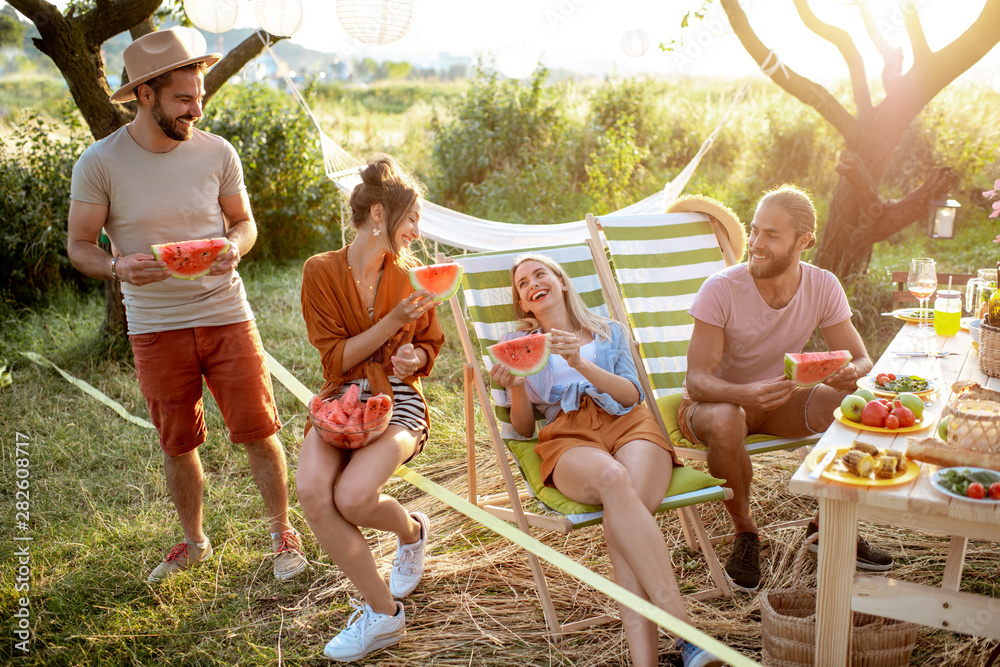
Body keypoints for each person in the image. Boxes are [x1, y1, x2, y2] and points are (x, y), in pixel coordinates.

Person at [66, 28, 307, 583]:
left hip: (226, 312)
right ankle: (195, 541)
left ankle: (281, 533)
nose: (196, 109)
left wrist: (232, 248)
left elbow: (244, 225)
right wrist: (115, 266)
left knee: (259, 430)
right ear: (145, 94)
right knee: (177, 442)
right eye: (183, 99)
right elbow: (80, 245)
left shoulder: (218, 152)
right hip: (154, 325)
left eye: (200, 97)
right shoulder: (100, 162)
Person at [490, 253, 724, 667]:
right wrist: (518, 389)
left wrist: (579, 362)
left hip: (628, 422)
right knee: (614, 481)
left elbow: (631, 396)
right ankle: (689, 636)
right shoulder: (520, 345)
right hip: (568, 434)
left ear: (561, 282)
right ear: (524, 304)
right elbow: (524, 430)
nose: (531, 284)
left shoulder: (608, 331)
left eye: (539, 273)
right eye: (522, 284)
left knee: (621, 527)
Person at [679, 184, 893, 594]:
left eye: (771, 235)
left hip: (780, 401)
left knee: (854, 404)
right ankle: (745, 533)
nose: (756, 244)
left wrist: (850, 374)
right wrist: (744, 395)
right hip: (715, 404)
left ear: (804, 240)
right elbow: (696, 381)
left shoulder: (823, 285)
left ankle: (829, 525)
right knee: (727, 419)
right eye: (755, 231)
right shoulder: (721, 288)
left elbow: (862, 360)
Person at [297, 155, 444, 662]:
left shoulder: (413, 278)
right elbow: (335, 357)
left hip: (400, 404)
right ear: (379, 215)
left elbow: (428, 347)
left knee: (356, 498)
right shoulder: (319, 271)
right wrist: (391, 325)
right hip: (343, 397)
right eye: (412, 220)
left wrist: (412, 355)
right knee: (314, 493)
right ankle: (384, 614)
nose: (418, 233)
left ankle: (413, 531)